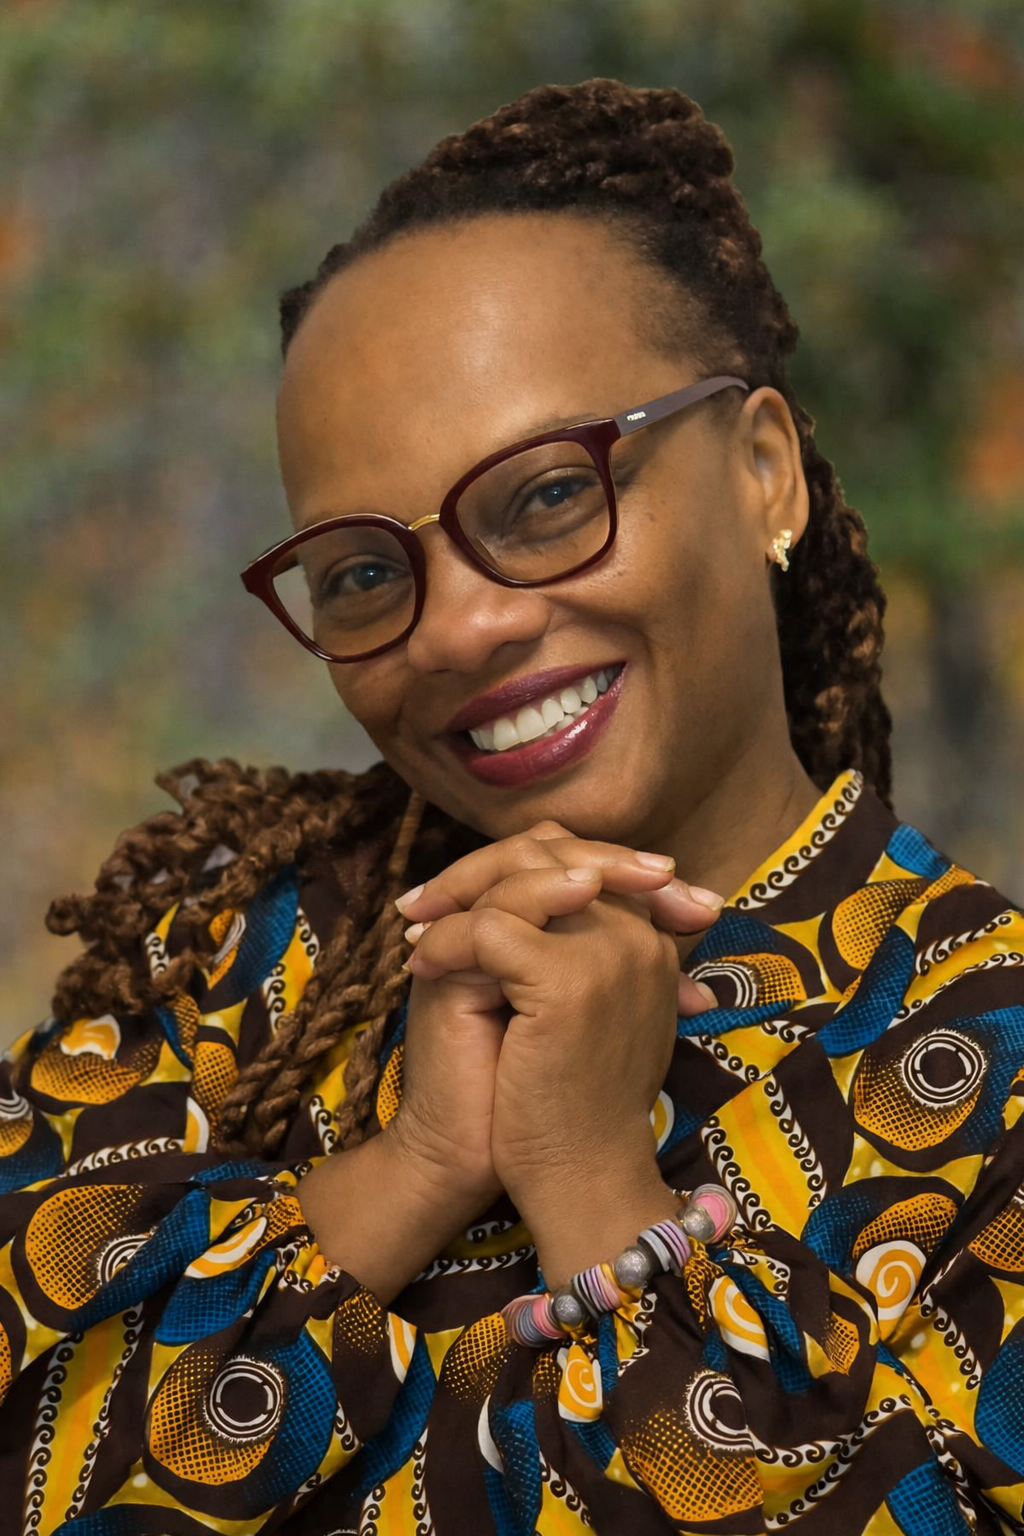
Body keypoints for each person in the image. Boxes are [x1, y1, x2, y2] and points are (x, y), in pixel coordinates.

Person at [1, 77, 1022, 1536]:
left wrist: (597, 1184)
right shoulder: (216, 973)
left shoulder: (994, 1069)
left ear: (763, 473)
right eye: (363, 573)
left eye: (546, 495)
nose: (460, 628)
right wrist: (414, 1166)